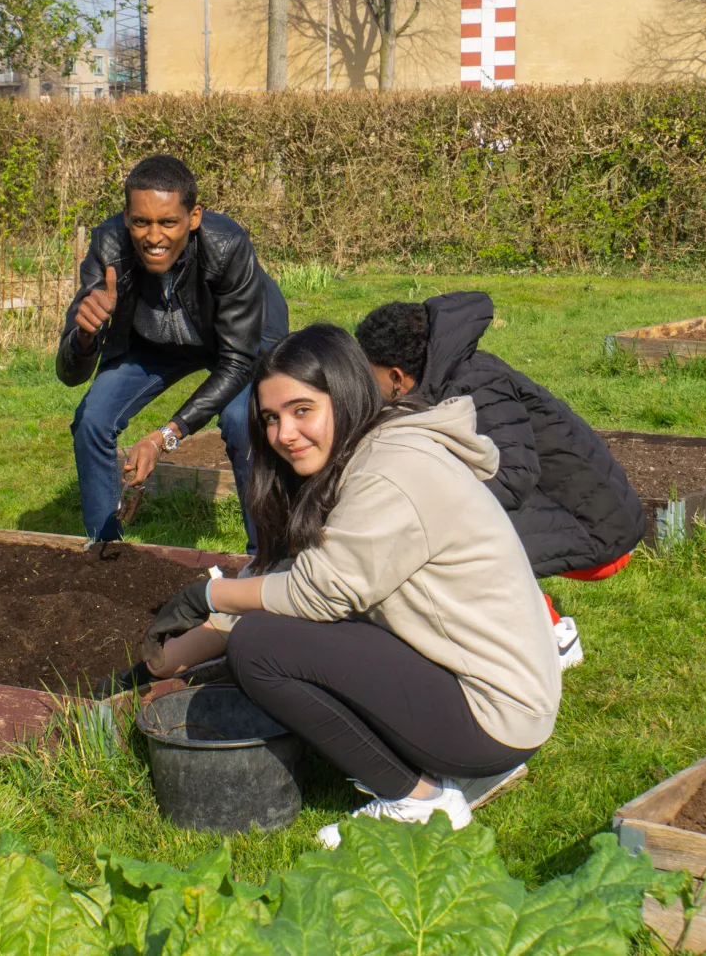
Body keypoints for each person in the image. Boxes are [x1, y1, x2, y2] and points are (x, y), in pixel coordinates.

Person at [142, 324, 560, 849]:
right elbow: (287, 572)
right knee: (271, 630)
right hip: (483, 685)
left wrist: (208, 596)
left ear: (343, 394)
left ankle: (419, 799)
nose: (283, 434)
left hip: (493, 713)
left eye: (301, 411)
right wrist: (176, 656)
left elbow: (318, 594)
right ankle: (448, 768)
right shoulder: (363, 454)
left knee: (262, 647)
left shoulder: (391, 473)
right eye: (271, 418)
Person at [355, 292, 647, 667]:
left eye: (369, 375)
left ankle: (550, 637)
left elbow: (513, 477)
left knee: (438, 539)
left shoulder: (476, 385)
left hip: (601, 528)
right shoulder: (446, 376)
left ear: (397, 376)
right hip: (573, 508)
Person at [56, 155, 288, 551]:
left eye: (168, 222)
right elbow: (70, 374)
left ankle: (265, 558)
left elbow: (237, 362)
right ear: (127, 216)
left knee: (241, 423)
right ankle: (103, 548)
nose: (153, 236)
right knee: (92, 419)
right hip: (156, 341)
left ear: (193, 217)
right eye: (141, 222)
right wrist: (85, 336)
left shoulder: (227, 245)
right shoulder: (109, 245)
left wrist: (166, 436)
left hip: (238, 343)